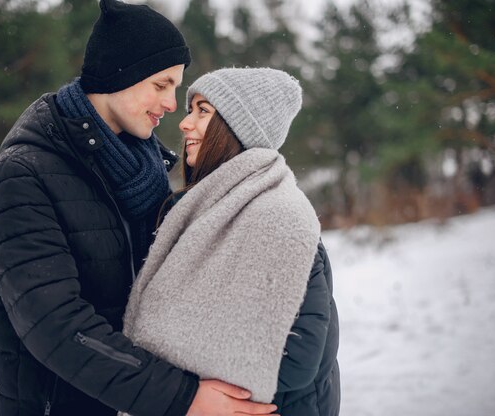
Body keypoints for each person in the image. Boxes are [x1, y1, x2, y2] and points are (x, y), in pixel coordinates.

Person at [0, 1, 279, 415]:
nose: (172, 104)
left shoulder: (144, 173)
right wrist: (183, 397)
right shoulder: (23, 176)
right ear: (119, 74)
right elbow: (55, 326)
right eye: (161, 85)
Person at [123, 67, 341, 416]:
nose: (184, 123)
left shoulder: (277, 218)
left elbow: (298, 357)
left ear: (236, 128)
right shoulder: (197, 213)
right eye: (190, 109)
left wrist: (179, 387)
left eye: (203, 111)